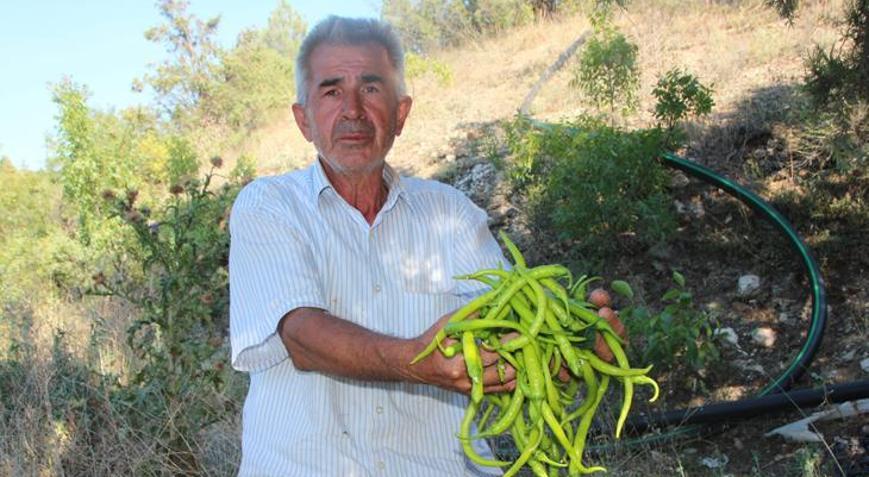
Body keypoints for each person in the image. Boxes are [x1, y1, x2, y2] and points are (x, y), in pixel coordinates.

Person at [229, 16, 620, 476]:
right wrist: (418, 360)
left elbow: (512, 336)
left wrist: (571, 348)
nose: (353, 110)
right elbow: (303, 338)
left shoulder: (450, 213)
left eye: (372, 89)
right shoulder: (269, 205)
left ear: (400, 114)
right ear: (303, 120)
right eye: (331, 91)